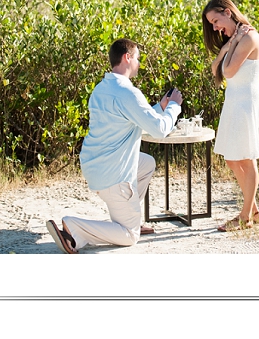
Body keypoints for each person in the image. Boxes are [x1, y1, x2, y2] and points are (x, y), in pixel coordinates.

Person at [46, 38, 182, 253]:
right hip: (114, 175)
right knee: (130, 236)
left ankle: (131, 215)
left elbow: (131, 120)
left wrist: (160, 106)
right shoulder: (128, 93)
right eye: (137, 58)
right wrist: (174, 106)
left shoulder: (102, 88)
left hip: (96, 166)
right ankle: (75, 228)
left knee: (146, 163)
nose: (139, 63)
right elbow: (159, 130)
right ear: (127, 57)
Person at [202, 0, 259, 231]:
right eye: (211, 23)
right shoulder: (234, 40)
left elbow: (228, 71)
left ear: (228, 12)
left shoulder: (249, 37)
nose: (215, 27)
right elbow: (215, 70)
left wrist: (230, 49)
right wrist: (227, 47)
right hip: (234, 103)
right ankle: (255, 210)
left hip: (246, 104)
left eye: (216, 20)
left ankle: (245, 216)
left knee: (247, 159)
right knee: (232, 158)